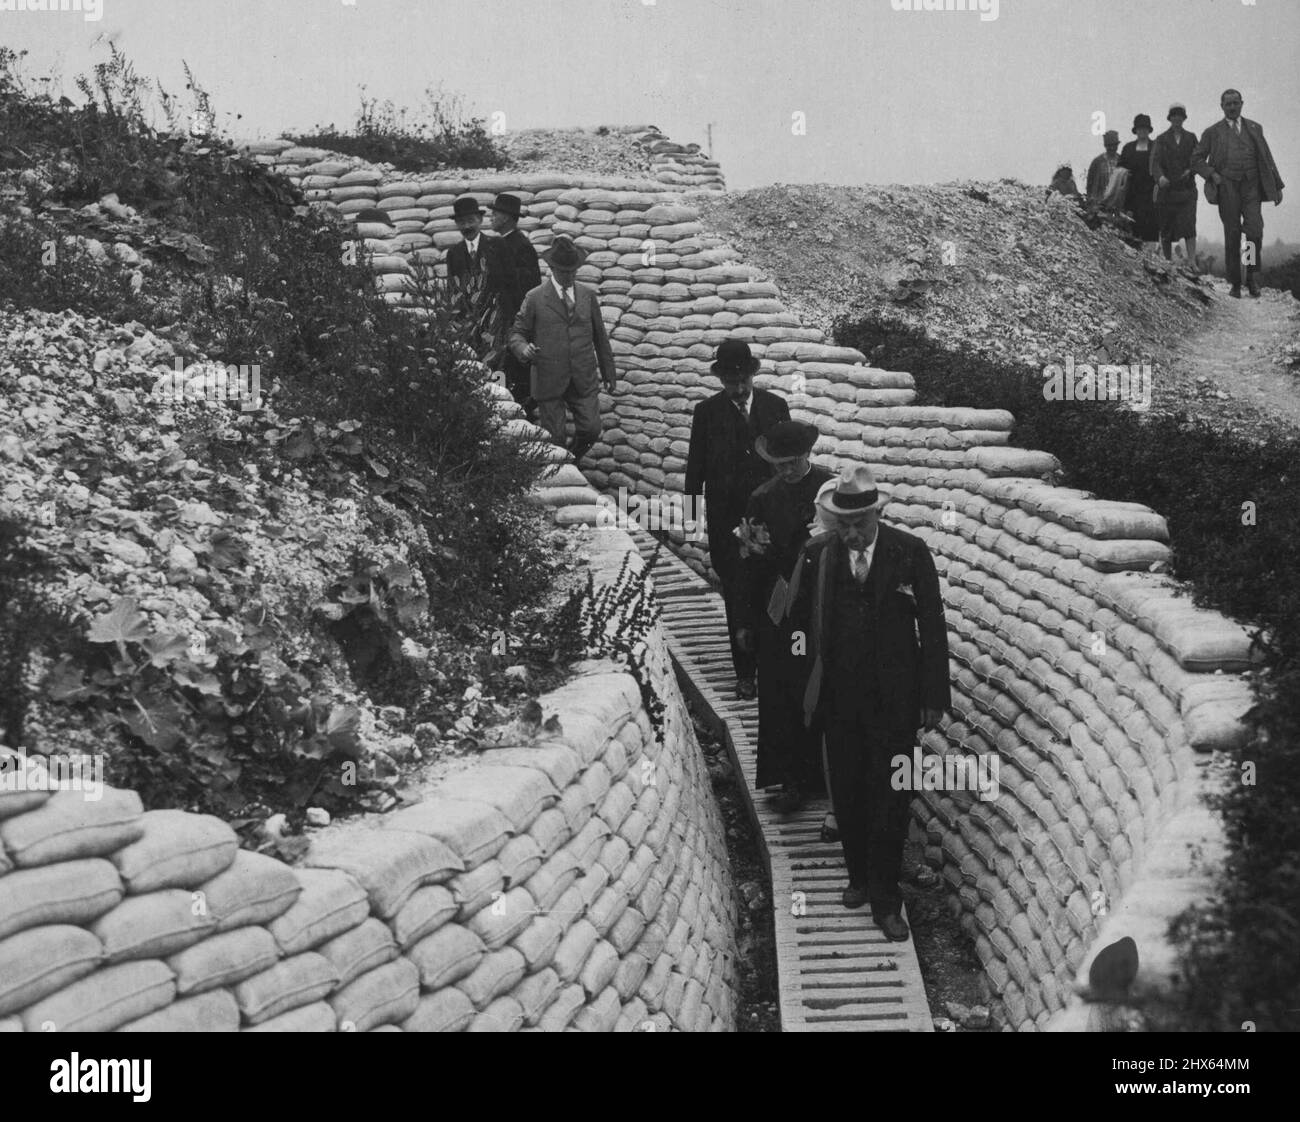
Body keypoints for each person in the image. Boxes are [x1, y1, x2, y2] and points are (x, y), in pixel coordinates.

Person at [785, 465, 950, 939]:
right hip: (840, 698)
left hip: (896, 700)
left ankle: (886, 898)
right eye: (843, 525)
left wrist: (933, 694)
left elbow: (933, 626)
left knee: (893, 796)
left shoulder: (909, 553)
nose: (852, 534)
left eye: (859, 525)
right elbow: (797, 628)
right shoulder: (819, 555)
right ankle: (858, 875)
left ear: (877, 514)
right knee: (850, 792)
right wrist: (802, 678)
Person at [733, 421, 833, 812]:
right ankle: (788, 778)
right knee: (781, 690)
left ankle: (823, 776)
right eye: (780, 465)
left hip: (823, 598)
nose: (787, 470)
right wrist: (744, 619)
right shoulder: (762, 497)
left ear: (807, 455)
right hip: (779, 603)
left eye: (793, 463)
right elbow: (748, 560)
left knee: (821, 685)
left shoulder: (829, 490)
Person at [684, 339, 789, 700]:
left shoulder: (776, 407)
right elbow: (695, 466)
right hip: (727, 521)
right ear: (721, 380)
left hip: (770, 521)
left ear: (753, 375)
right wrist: (692, 516)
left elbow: (787, 461)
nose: (740, 388)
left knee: (773, 592)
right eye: (732, 382)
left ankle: (774, 666)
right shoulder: (707, 413)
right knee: (738, 597)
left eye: (744, 380)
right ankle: (745, 673)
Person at [508, 235, 617, 462]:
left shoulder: (587, 296)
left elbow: (600, 337)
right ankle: (562, 468)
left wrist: (609, 372)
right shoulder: (535, 297)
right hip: (548, 377)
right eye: (564, 271)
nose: (569, 276)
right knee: (555, 438)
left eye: (573, 271)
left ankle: (571, 460)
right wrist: (524, 350)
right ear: (552, 268)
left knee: (591, 429)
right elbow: (516, 334)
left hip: (583, 377)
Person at [1192, 88, 1286, 298]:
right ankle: (1235, 283)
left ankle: (1252, 277)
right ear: (1222, 106)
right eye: (1228, 104)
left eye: (1236, 103)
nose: (1232, 107)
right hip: (1227, 188)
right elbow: (1196, 160)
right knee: (1232, 234)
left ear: (1242, 104)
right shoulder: (1212, 132)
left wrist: (1277, 186)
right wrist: (1212, 174)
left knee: (1253, 232)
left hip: (1251, 187)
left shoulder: (1254, 128)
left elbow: (1267, 158)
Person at [484, 193, 542, 418]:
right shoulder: (500, 243)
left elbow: (526, 290)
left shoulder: (520, 246)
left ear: (507, 217)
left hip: (511, 323)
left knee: (512, 377)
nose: (492, 217)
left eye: (496, 213)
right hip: (498, 321)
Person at [1151, 103, 1200, 269]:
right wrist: (1160, 178)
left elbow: (1198, 159)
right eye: (1174, 115)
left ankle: (1192, 261)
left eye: (1180, 115)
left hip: (1187, 189)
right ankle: (1167, 260)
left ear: (1184, 118)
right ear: (1170, 118)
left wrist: (1191, 170)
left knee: (1189, 225)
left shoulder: (1191, 138)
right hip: (1167, 189)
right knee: (1166, 226)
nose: (1177, 119)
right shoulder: (1161, 139)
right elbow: (1155, 163)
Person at [1119, 114, 1160, 243]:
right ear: (1135, 130)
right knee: (1131, 232)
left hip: (1152, 195)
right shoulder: (1128, 148)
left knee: (1151, 231)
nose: (1142, 131)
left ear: (1149, 130)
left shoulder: (1156, 147)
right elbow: (1120, 170)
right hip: (1132, 196)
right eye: (1139, 128)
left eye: (1145, 128)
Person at [1086, 130, 1122, 204]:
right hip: (1100, 202)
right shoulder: (1097, 162)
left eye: (1114, 145)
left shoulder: (1122, 161)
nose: (1112, 148)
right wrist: (1091, 201)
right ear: (1105, 146)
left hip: (1118, 203)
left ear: (1117, 145)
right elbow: (1090, 184)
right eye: (1109, 145)